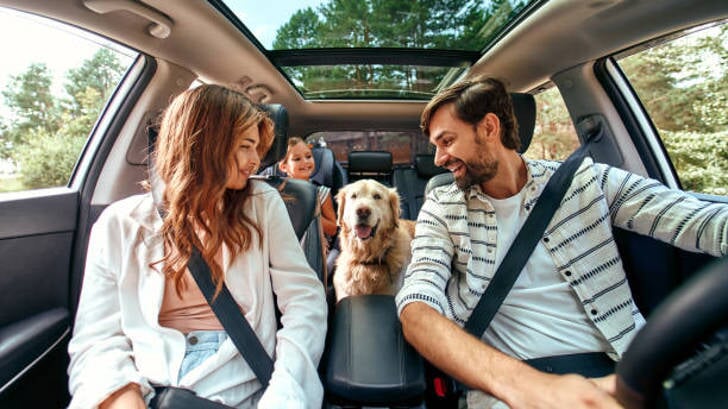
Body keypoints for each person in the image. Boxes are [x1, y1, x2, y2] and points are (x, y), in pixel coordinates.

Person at [395, 76, 727, 409]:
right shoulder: (442, 206)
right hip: (509, 387)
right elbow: (417, 307)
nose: (438, 158)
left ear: (489, 128)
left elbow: (699, 221)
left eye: (447, 141)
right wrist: (528, 388)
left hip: (623, 371)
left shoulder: (586, 180)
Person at [67, 84, 327, 409]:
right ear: (208, 143)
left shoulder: (262, 204)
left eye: (258, 149)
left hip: (238, 380)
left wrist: (285, 393)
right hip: (146, 379)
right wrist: (120, 395)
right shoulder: (119, 222)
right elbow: (96, 337)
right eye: (246, 146)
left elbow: (305, 302)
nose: (255, 162)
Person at [278, 136, 338, 248]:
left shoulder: (321, 192)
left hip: (315, 245)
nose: (305, 162)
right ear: (283, 167)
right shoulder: (278, 192)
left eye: (308, 156)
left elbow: (332, 229)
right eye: (297, 159)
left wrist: (309, 214)